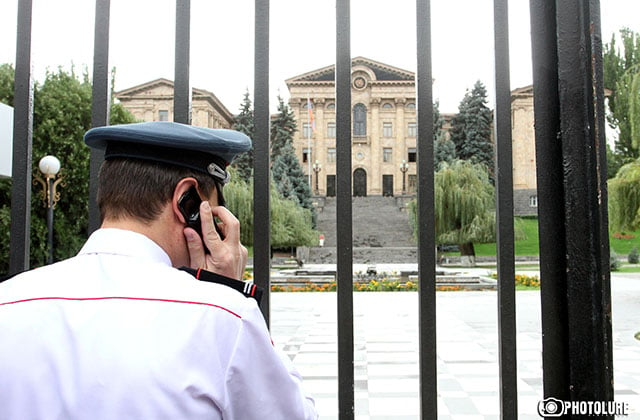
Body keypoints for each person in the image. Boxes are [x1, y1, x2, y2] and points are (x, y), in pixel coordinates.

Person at [0, 122, 317, 419]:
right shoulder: (220, 316)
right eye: (215, 210)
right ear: (187, 203)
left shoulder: (7, 302)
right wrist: (227, 290)